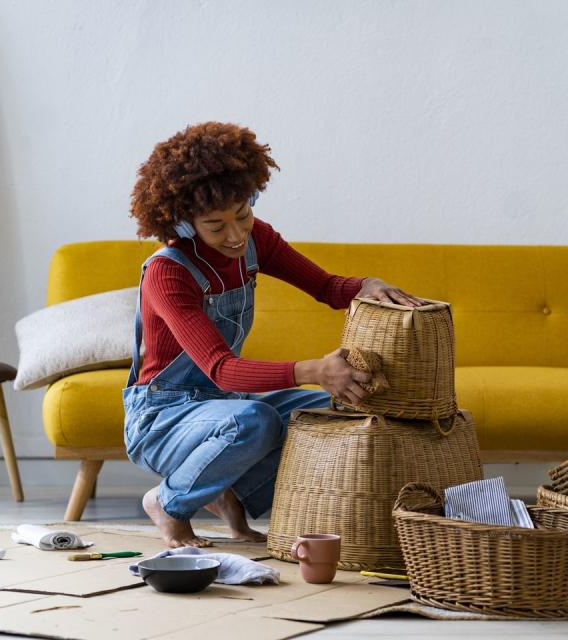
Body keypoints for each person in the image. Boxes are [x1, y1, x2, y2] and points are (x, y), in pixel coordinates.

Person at [125, 121, 422, 548]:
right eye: (215, 225)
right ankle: (168, 503)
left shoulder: (254, 239)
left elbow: (326, 287)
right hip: (161, 418)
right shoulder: (168, 273)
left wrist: (367, 285)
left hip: (222, 408)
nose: (234, 235)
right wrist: (315, 368)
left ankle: (229, 495)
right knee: (256, 421)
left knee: (337, 407)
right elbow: (222, 370)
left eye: (243, 215)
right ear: (185, 225)